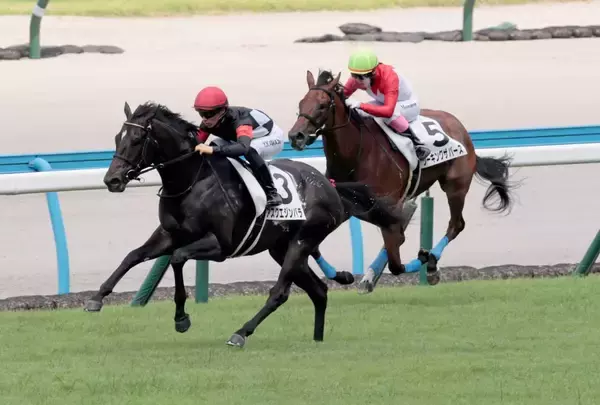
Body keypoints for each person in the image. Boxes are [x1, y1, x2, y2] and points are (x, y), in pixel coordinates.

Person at [192, 86, 284, 207]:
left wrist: (212, 149)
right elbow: (195, 146)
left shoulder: (241, 120)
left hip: (271, 137)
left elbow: (243, 147)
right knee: (214, 144)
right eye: (201, 114)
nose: (205, 119)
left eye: (209, 114)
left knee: (250, 150)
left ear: (222, 111)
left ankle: (272, 192)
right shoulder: (207, 122)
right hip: (243, 139)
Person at [342, 48, 429, 159]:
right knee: (358, 112)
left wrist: (360, 104)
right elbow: (341, 96)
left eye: (361, 77)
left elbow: (388, 111)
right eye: (354, 75)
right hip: (384, 102)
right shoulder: (356, 79)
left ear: (373, 73)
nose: (357, 80)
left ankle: (418, 144)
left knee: (390, 115)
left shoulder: (389, 77)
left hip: (408, 104)